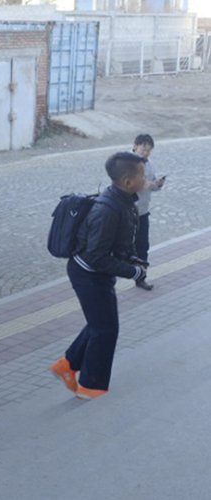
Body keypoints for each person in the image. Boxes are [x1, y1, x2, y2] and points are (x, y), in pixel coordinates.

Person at [50, 152, 147, 400]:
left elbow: (120, 241)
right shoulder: (108, 209)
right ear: (126, 181)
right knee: (106, 329)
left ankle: (67, 365)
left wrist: (131, 259)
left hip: (95, 274)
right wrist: (132, 271)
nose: (145, 178)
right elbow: (96, 256)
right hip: (88, 275)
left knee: (100, 323)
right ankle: (90, 386)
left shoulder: (122, 200)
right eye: (142, 174)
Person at [131, 134, 166, 291]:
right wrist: (143, 184)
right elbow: (125, 183)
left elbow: (151, 186)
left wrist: (158, 184)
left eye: (149, 151)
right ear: (135, 146)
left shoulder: (150, 164)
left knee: (142, 246)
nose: (146, 154)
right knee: (120, 247)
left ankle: (141, 278)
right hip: (125, 213)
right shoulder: (126, 162)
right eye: (143, 150)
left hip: (143, 212)